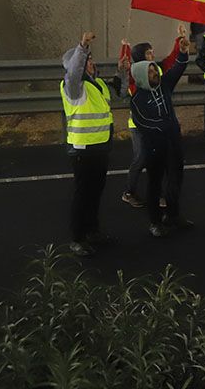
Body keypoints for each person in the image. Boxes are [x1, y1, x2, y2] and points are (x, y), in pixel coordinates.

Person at [61, 31, 129, 256]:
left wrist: (122, 71)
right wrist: (83, 46)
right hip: (82, 149)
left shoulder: (98, 83)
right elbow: (73, 72)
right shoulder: (72, 86)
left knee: (95, 193)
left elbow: (121, 94)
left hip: (101, 147)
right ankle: (77, 238)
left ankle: (92, 231)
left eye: (90, 60)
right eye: (87, 61)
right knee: (83, 194)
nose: (91, 63)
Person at [129, 31, 196, 236]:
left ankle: (173, 215)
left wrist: (183, 51)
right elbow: (143, 123)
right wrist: (166, 127)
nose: (155, 73)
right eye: (150, 72)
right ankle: (155, 221)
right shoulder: (137, 99)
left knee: (175, 178)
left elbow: (177, 68)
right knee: (155, 183)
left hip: (173, 143)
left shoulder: (164, 85)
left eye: (154, 71)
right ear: (141, 76)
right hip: (154, 147)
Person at [122, 36, 182, 208]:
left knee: (159, 159)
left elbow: (171, 60)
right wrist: (124, 48)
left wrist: (179, 41)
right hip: (139, 126)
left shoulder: (157, 69)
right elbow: (125, 71)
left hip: (158, 125)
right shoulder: (135, 76)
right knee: (141, 158)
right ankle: (129, 192)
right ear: (141, 57)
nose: (152, 55)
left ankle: (160, 195)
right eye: (149, 53)